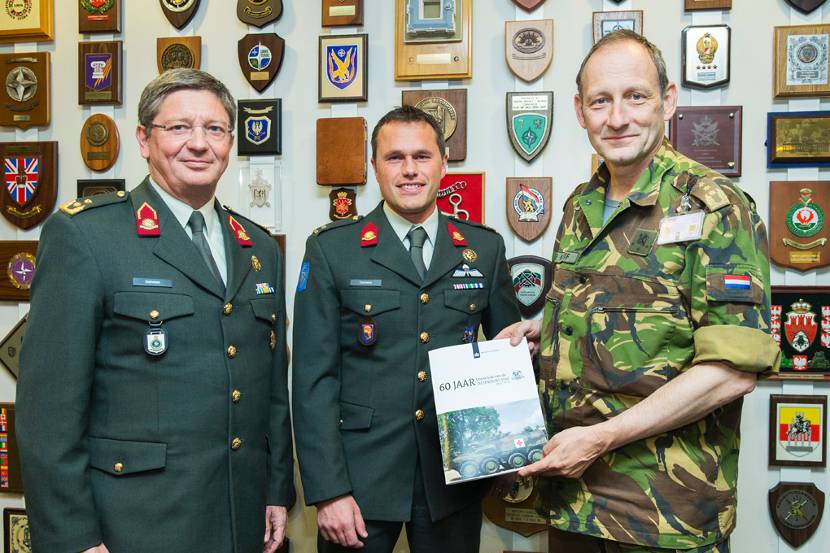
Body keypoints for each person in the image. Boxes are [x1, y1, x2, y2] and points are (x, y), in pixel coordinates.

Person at [496, 30, 780, 553]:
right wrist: (546, 331)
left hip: (664, 519)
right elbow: (627, 310)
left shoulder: (713, 207)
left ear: (667, 101)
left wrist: (599, 438)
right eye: (601, 101)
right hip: (573, 505)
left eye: (636, 96)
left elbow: (731, 371)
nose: (618, 118)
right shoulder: (580, 206)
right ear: (580, 112)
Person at [16, 69, 294, 553]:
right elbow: (48, 412)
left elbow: (270, 391)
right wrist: (73, 538)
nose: (199, 143)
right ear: (144, 139)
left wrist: (276, 489)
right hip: (134, 524)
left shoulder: (259, 247)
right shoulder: (88, 237)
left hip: (238, 516)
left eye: (214, 129)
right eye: (179, 127)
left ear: (231, 143)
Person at [292, 106, 521, 553]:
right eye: (394, 157)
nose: (410, 170)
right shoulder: (333, 250)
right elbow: (312, 381)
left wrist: (505, 449)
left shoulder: (484, 248)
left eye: (422, 156)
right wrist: (328, 490)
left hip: (455, 476)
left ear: (444, 164)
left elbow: (506, 355)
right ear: (373, 167)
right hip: (359, 480)